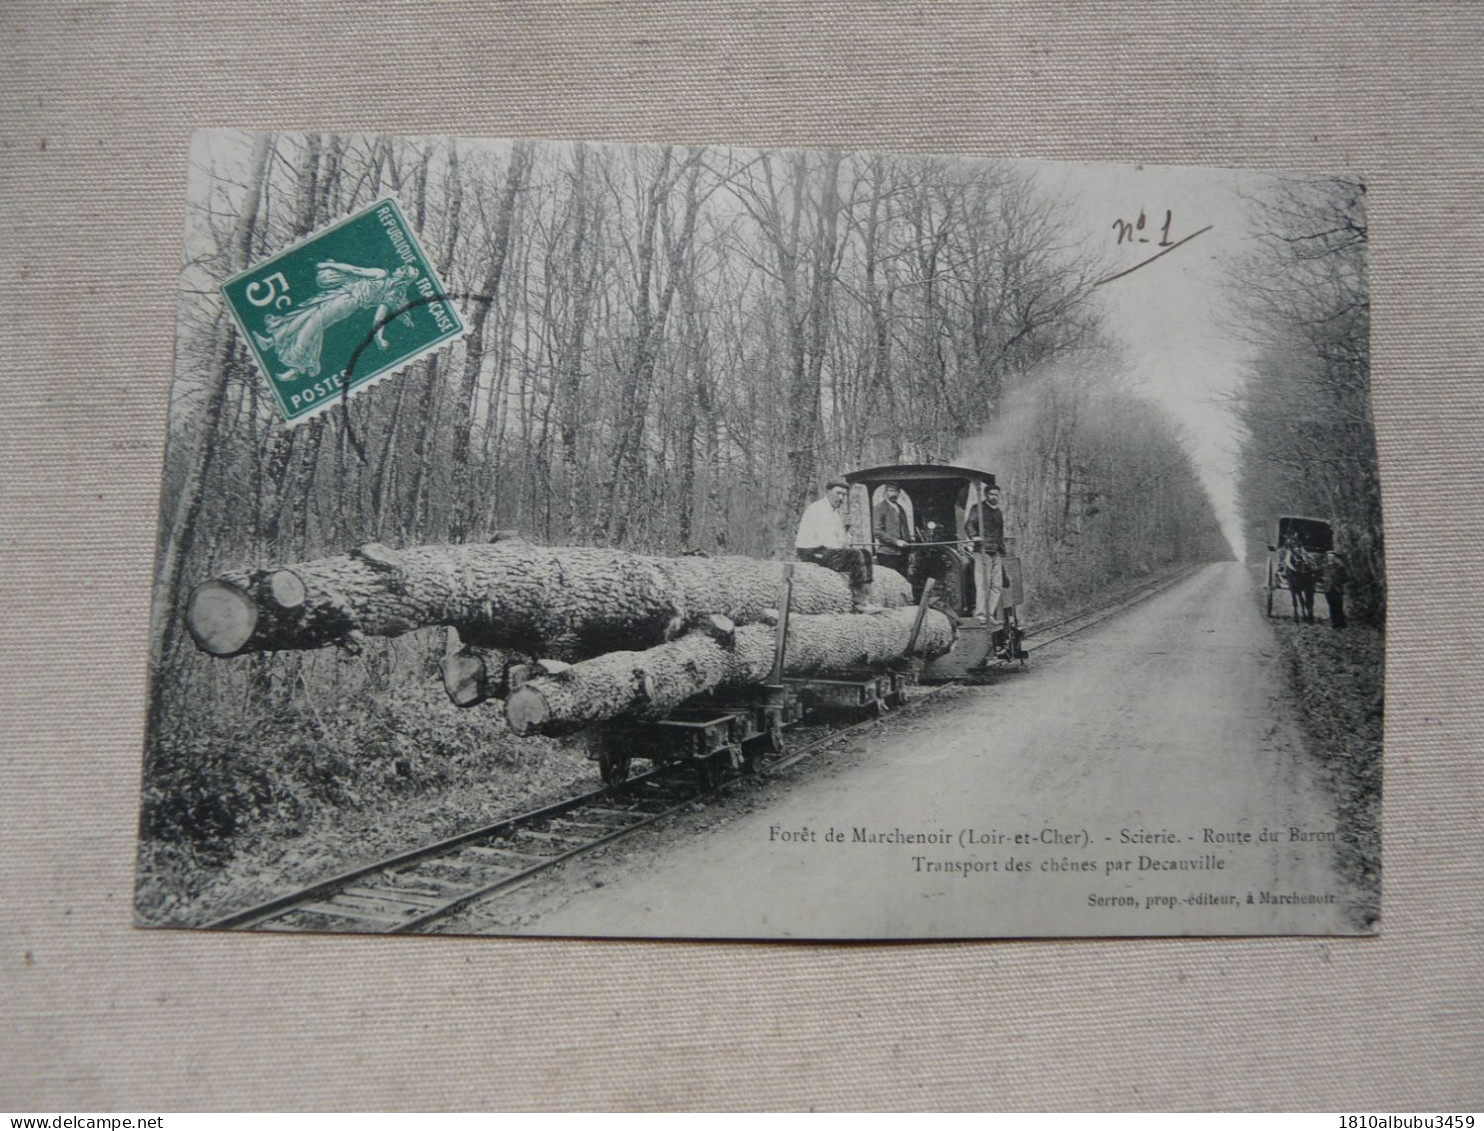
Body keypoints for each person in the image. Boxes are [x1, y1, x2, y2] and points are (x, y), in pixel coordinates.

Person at [252, 261, 422, 383]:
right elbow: (378, 317)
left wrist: (329, 265)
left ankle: (296, 366)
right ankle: (271, 340)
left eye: (402, 269)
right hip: (341, 295)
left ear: (403, 277)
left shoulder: (381, 275)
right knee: (305, 313)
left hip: (346, 302)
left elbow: (354, 269)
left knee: (312, 324)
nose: (398, 268)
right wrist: (379, 339)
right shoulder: (389, 290)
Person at [795, 479, 880, 613]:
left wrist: (846, 528)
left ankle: (867, 597)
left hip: (825, 548)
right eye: (838, 493)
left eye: (843, 495)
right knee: (855, 555)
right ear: (828, 492)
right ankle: (859, 602)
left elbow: (840, 541)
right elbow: (828, 540)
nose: (840, 498)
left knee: (865, 553)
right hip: (811, 551)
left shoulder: (834, 512)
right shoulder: (819, 509)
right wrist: (845, 552)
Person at [964, 485, 1008, 620]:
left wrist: (1002, 548)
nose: (994, 497)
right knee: (983, 584)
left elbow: (999, 532)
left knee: (996, 585)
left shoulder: (998, 512)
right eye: (992, 494)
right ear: (986, 495)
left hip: (996, 551)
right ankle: (981, 614)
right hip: (983, 551)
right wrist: (974, 536)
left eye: (996, 495)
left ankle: (989, 613)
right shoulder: (978, 509)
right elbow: (969, 524)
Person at [871, 482, 913, 575]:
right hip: (887, 553)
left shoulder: (900, 508)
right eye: (891, 491)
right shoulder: (879, 508)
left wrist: (909, 551)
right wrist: (896, 541)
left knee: (904, 581)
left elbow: (905, 530)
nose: (894, 494)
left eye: (896, 491)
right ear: (885, 492)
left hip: (903, 553)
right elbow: (877, 531)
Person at [1322, 550, 1350, 629]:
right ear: (1327, 558)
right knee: (1331, 606)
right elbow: (1321, 576)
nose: (1330, 558)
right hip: (1328, 589)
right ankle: (1334, 624)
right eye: (1329, 557)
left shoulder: (1339, 567)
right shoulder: (1325, 566)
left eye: (1332, 557)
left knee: (1338, 606)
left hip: (1337, 589)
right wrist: (1325, 581)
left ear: (1335, 558)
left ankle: (1341, 624)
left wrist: (1338, 581)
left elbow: (1346, 577)